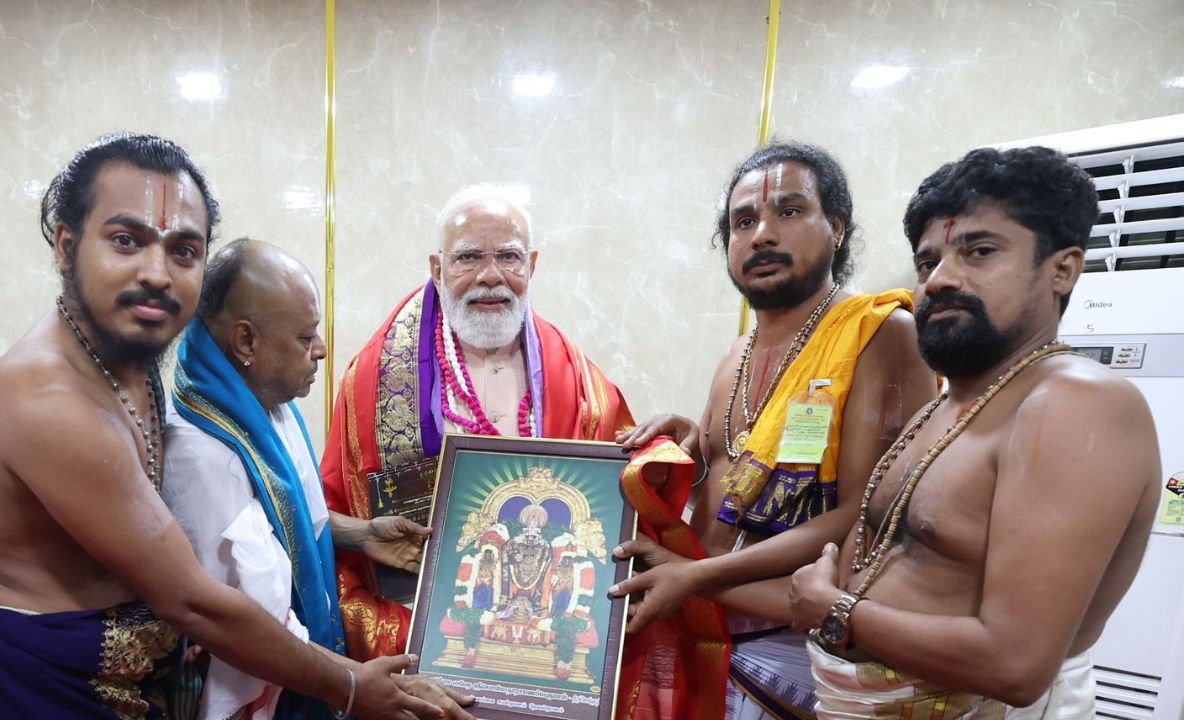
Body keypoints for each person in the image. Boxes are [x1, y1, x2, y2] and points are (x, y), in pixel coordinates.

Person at [0, 133, 471, 720]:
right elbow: (195, 602)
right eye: (126, 240)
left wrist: (352, 533)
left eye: (183, 251)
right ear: (67, 246)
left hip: (139, 681)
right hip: (41, 689)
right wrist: (352, 688)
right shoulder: (48, 400)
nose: (158, 273)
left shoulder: (132, 365)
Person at [321, 184, 730, 719]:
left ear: (532, 264)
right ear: (437, 267)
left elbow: (617, 481)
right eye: (469, 257)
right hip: (418, 627)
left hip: (547, 639)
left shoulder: (574, 375)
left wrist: (664, 451)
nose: (491, 275)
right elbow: (336, 508)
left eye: (508, 256)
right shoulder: (373, 381)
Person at [789, 146, 1160, 717]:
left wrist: (835, 612)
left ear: (1063, 268)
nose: (939, 279)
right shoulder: (949, 405)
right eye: (927, 261)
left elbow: (1015, 666)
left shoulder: (1076, 403)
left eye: (979, 251)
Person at [612, 142, 936, 719]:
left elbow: (869, 513)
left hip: (790, 648)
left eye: (788, 212)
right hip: (696, 625)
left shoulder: (883, 333)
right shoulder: (736, 354)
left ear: (836, 227)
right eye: (743, 222)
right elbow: (735, 468)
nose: (761, 235)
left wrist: (699, 578)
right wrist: (686, 442)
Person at [161, 238, 442, 719]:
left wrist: (359, 534)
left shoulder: (262, 399)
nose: (322, 349)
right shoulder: (201, 451)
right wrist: (353, 686)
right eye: (304, 337)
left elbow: (278, 525)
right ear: (246, 341)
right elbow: (245, 627)